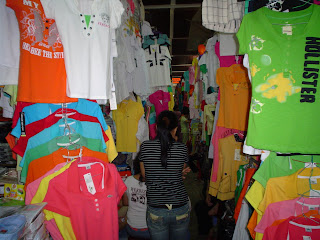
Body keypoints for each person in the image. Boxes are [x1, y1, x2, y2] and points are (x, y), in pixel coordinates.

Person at [140, 110, 191, 240]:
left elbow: (145, 175)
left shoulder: (145, 146)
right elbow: (178, 174)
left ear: (156, 127)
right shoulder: (182, 148)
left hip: (157, 208)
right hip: (179, 206)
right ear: (176, 128)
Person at [122, 157, 150, 239]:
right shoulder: (156, 183)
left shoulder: (128, 180)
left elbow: (125, 203)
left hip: (131, 227)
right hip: (148, 229)